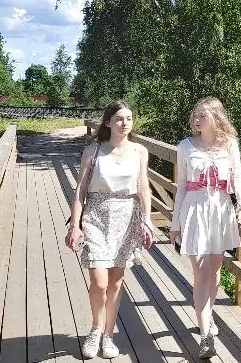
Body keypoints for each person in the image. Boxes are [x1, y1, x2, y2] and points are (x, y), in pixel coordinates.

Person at [65, 101, 154, 359]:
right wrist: (75, 224)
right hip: (96, 214)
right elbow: (81, 188)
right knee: (99, 281)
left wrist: (146, 219)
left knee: (116, 281)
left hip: (126, 216)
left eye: (128, 118)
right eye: (118, 119)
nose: (124, 123)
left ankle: (108, 334)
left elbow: (143, 187)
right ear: (107, 122)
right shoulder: (94, 150)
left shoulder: (139, 151)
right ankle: (95, 328)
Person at [170, 97, 241, 359]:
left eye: (202, 115)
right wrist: (175, 223)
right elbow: (181, 185)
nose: (196, 118)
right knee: (201, 274)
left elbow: (237, 177)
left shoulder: (229, 145)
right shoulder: (184, 146)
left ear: (216, 118)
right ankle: (206, 336)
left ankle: (207, 315)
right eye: (195, 114)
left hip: (220, 210)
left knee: (214, 272)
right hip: (193, 210)